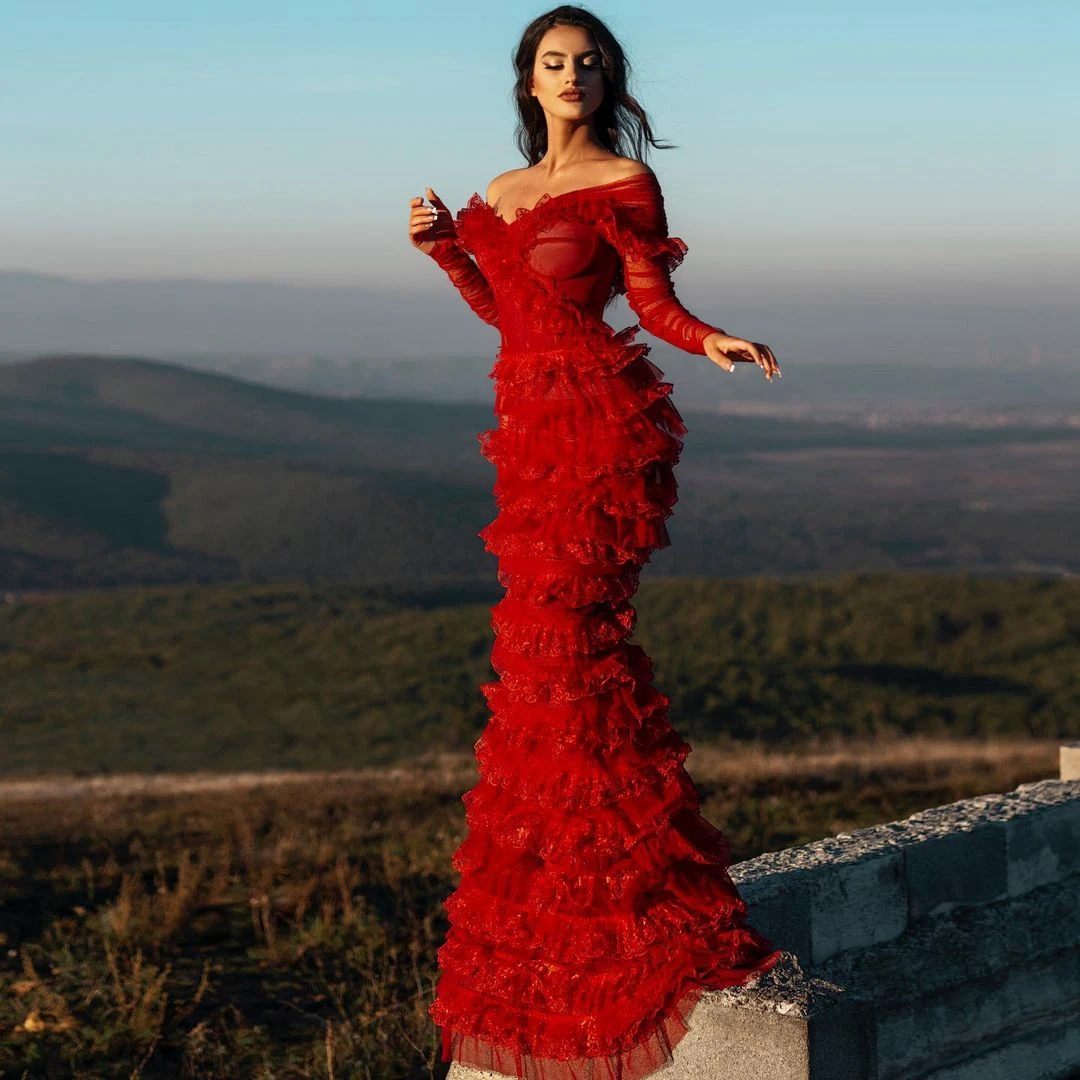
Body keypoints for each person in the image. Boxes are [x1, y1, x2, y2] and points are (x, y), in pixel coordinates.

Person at [408, 7, 784, 1079]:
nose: (573, 73)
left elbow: (648, 301)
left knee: (574, 647)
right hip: (524, 435)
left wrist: (710, 337)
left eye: (589, 61)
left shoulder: (624, 182)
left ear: (606, 79)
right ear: (528, 80)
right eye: (554, 60)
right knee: (536, 658)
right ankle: (559, 897)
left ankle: (633, 900)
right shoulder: (502, 191)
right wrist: (446, 250)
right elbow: (508, 313)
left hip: (597, 431)